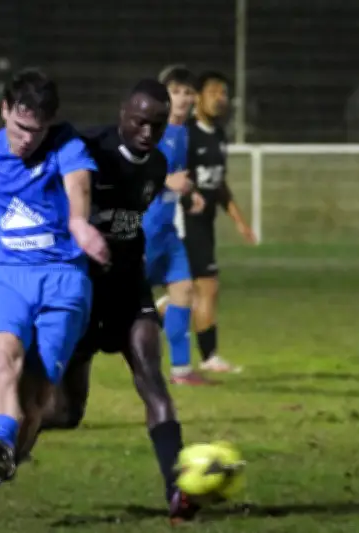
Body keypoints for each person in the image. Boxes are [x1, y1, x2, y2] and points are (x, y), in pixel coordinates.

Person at [0, 67, 106, 518]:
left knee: (33, 401)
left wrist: (79, 223)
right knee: (2, 358)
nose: (26, 140)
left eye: (37, 130)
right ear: (4, 111)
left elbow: (78, 184)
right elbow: (17, 204)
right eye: (19, 127)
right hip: (9, 278)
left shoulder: (67, 145)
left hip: (62, 282)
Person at [181, 71, 256, 373]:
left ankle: (145, 314)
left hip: (205, 223)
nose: (220, 98)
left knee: (189, 291)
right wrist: (188, 197)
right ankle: (209, 356)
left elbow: (219, 184)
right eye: (213, 92)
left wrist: (240, 221)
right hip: (186, 222)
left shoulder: (219, 135)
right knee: (207, 287)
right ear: (198, 97)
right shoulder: (186, 134)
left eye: (223, 93)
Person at [144, 65, 212, 385]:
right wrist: (165, 181)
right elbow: (134, 174)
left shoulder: (182, 132)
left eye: (188, 93)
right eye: (175, 92)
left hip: (167, 232)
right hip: (142, 231)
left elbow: (176, 176)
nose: (182, 99)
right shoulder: (150, 131)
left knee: (184, 290)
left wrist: (189, 192)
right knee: (116, 307)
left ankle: (181, 370)